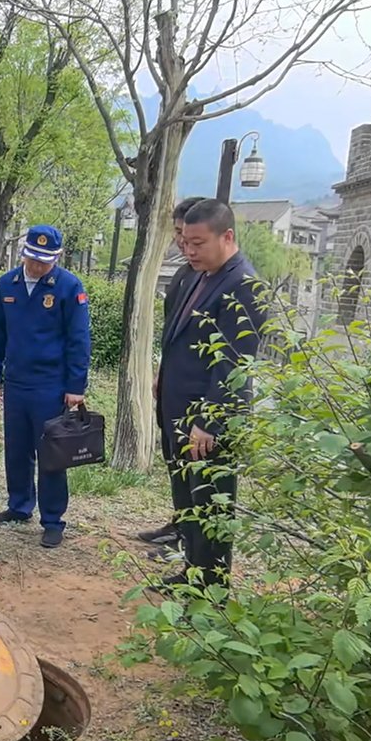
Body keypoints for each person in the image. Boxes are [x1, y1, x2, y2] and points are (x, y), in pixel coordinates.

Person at [153, 198, 266, 592]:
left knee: (211, 503)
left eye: (198, 243)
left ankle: (211, 588)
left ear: (227, 236)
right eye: (185, 241)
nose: (189, 250)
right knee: (189, 498)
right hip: (178, 408)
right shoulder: (200, 275)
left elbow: (234, 364)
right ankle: (191, 573)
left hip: (207, 421)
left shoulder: (243, 285)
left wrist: (208, 422)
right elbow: (180, 340)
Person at [0, 225, 92, 549]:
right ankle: (19, 506)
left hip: (51, 385)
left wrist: (76, 385)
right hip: (17, 382)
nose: (37, 266)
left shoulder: (69, 287)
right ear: (23, 253)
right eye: (33, 258)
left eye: (45, 260)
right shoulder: (7, 285)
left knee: (50, 455)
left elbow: (79, 339)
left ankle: (53, 519)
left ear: (56, 258)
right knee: (16, 450)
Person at [138, 196, 205, 559]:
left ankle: (188, 542)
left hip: (197, 399)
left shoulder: (211, 279)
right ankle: (179, 525)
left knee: (194, 476)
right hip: (173, 389)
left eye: (188, 236)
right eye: (179, 234)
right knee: (175, 466)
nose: (182, 242)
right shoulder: (184, 274)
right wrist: (161, 374)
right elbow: (173, 334)